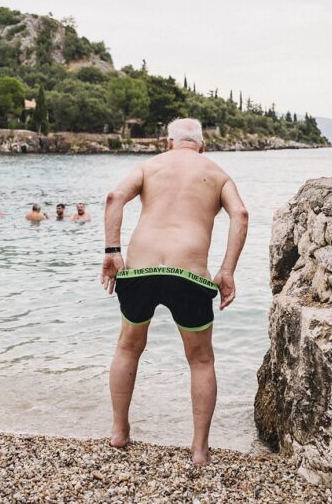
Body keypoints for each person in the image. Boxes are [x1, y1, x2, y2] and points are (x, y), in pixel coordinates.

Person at [101, 118, 248, 466]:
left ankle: (120, 432)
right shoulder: (217, 172)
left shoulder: (150, 166)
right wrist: (226, 271)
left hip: (140, 270)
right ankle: (199, 450)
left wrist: (111, 252)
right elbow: (240, 214)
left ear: (168, 143)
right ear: (203, 145)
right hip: (190, 273)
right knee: (201, 360)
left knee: (128, 346)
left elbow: (114, 198)